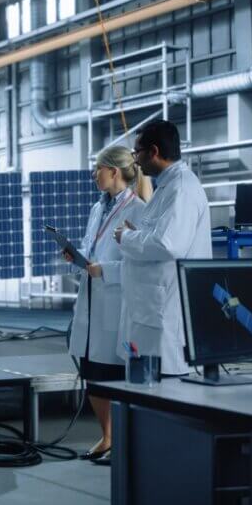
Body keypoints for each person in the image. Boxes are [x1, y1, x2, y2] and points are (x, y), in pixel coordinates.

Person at [63, 145, 150, 466]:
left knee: (111, 373)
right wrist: (78, 257)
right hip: (92, 298)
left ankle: (120, 440)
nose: (93, 174)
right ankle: (107, 436)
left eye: (98, 168)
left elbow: (142, 263)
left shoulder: (138, 210)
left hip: (116, 301)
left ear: (113, 171)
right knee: (92, 372)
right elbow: (92, 247)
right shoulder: (97, 208)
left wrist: (106, 271)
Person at [114, 119, 212, 378]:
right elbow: (162, 235)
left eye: (137, 152)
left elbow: (168, 245)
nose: (135, 160)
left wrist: (126, 237)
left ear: (154, 152)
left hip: (165, 314)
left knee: (166, 387)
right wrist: (137, 233)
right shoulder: (166, 186)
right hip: (151, 311)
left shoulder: (181, 189)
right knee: (144, 383)